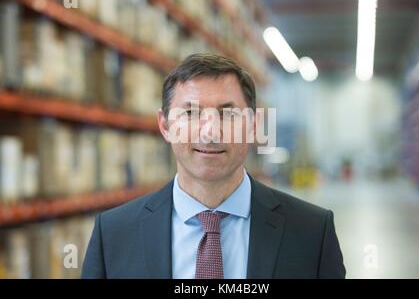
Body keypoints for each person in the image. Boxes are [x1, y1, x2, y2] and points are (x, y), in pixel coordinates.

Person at [81, 53, 346, 279]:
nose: (210, 132)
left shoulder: (312, 232)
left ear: (253, 126)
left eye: (228, 114)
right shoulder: (114, 234)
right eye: (191, 113)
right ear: (165, 126)